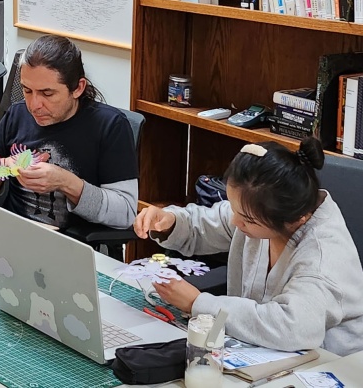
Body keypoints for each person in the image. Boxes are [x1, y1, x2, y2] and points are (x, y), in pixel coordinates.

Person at [134, 138, 363, 356]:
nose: (235, 221)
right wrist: (170, 222)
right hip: (260, 352)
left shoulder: (323, 257)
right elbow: (209, 223)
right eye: (234, 209)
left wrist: (198, 304)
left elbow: (292, 327)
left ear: (296, 219)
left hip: (328, 367)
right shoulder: (260, 210)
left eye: (247, 219)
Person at [0, 34, 138, 229]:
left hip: (72, 246)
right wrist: (5, 167)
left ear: (78, 88)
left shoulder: (110, 126)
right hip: (11, 233)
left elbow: (125, 213)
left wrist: (67, 183)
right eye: (27, 91)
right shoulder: (18, 114)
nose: (34, 105)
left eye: (47, 93)